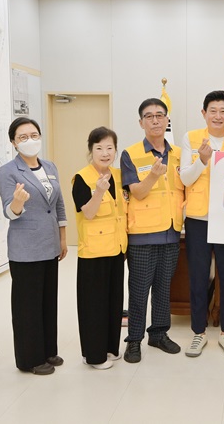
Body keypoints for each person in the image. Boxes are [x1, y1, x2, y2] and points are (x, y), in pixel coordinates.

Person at [180, 90, 224, 358]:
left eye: (223, 111)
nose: (218, 116)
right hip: (198, 220)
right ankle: (198, 333)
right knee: (198, 278)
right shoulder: (191, 138)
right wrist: (202, 160)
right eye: (213, 111)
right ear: (204, 113)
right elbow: (185, 179)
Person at [0, 117, 68, 375]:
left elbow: (58, 204)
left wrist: (62, 237)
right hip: (26, 248)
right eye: (23, 137)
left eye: (34, 135)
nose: (30, 140)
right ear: (14, 142)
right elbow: (9, 212)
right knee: (27, 307)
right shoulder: (8, 171)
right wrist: (17, 202)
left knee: (48, 301)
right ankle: (30, 359)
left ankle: (48, 350)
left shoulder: (49, 166)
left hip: (50, 244)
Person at [120, 98, 185, 363]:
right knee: (139, 291)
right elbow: (136, 192)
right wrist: (153, 175)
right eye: (149, 116)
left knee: (163, 288)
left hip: (171, 232)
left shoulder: (179, 153)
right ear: (141, 123)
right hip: (143, 236)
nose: (155, 120)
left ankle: (158, 334)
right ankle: (134, 340)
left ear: (167, 120)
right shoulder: (131, 154)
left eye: (160, 115)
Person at [72, 127, 127, 370]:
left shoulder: (118, 175)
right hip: (93, 251)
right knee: (94, 305)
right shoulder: (81, 178)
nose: (105, 153)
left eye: (110, 148)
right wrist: (99, 192)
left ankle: (110, 348)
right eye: (99, 148)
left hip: (116, 248)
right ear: (91, 150)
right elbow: (88, 213)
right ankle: (94, 356)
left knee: (113, 302)